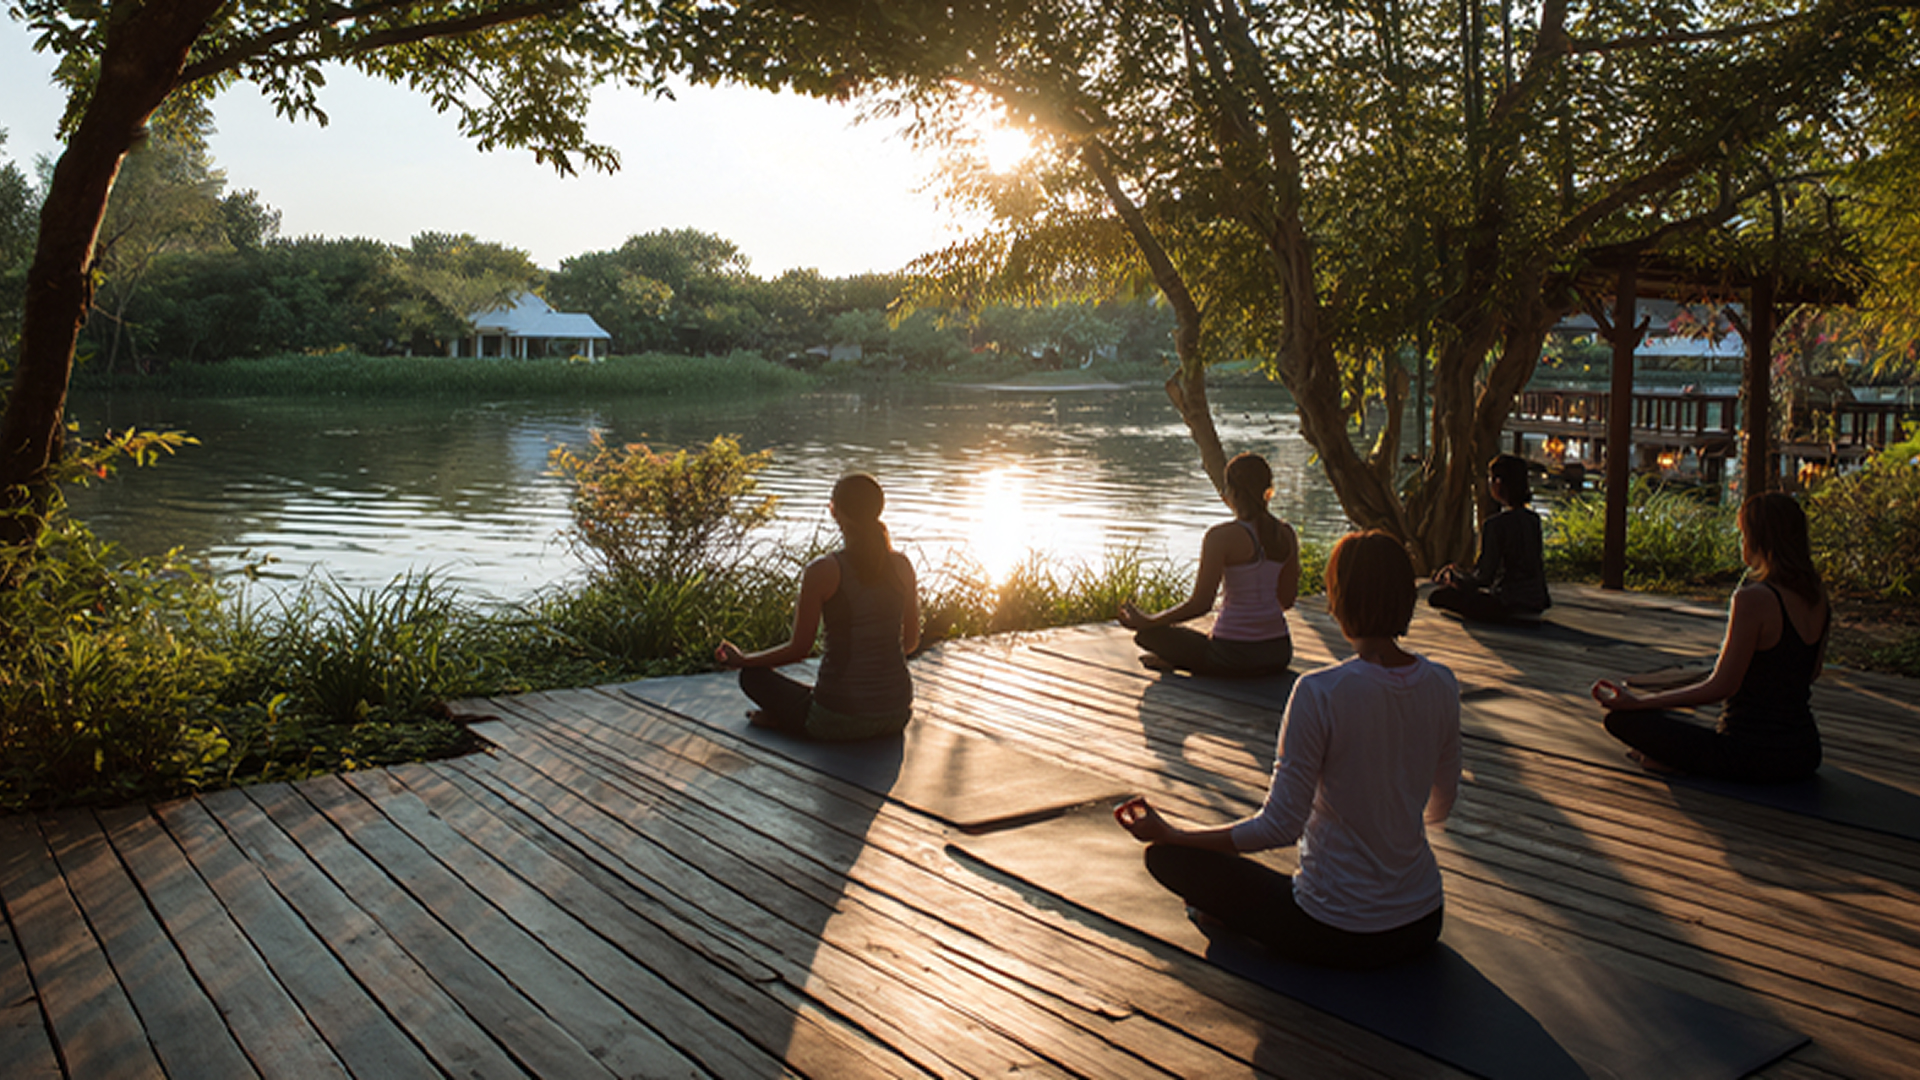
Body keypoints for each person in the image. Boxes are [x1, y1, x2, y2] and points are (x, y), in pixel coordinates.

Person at [1115, 531, 1462, 969]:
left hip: (1335, 929)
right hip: (1422, 920)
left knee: (1168, 859)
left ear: (1339, 599)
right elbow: (1439, 807)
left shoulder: (1321, 692)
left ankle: (1227, 913)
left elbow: (1279, 827)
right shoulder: (1442, 682)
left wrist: (1173, 834)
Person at [1591, 492, 1826, 782]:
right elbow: (1812, 672)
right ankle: (1669, 759)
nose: (1741, 542)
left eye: (1743, 534)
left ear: (1757, 539)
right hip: (1805, 752)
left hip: (1749, 753)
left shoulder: (1753, 598)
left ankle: (1670, 762)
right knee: (1672, 718)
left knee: (1623, 721)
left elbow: (1721, 687)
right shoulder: (1817, 595)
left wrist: (1638, 702)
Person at [715, 473, 920, 741]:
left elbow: (799, 649)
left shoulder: (823, 571)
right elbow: (911, 642)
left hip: (837, 719)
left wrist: (743, 660)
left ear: (835, 511)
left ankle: (783, 721)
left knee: (753, 677)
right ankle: (786, 717)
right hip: (896, 714)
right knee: (814, 693)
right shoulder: (902, 566)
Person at [1117, 452, 1299, 677]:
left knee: (1150, 635)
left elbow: (1201, 605)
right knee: (1193, 641)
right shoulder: (1285, 533)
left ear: (1231, 493)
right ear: (1268, 490)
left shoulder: (1220, 537)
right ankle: (1179, 660)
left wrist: (1149, 621)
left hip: (1230, 656)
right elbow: (1286, 601)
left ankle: (1179, 661)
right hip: (1278, 653)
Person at [1428, 453, 1551, 622]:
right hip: (1536, 601)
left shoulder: (1495, 524)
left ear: (1498, 483)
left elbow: (1484, 577)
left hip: (1506, 602)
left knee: (1438, 597)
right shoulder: (1533, 520)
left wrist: (1455, 577)